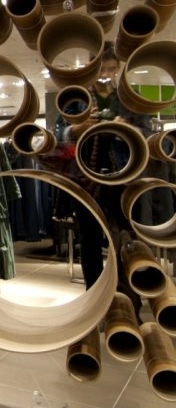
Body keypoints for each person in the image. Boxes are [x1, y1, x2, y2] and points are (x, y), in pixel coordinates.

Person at [53, 42, 150, 316]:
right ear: (91, 68)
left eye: (110, 69)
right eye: (101, 69)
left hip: (123, 179)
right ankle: (94, 301)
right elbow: (56, 137)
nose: (105, 74)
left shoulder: (130, 98)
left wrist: (128, 129)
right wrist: (75, 130)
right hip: (87, 180)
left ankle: (128, 301)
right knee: (90, 241)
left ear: (118, 68)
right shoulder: (77, 98)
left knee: (125, 241)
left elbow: (148, 133)